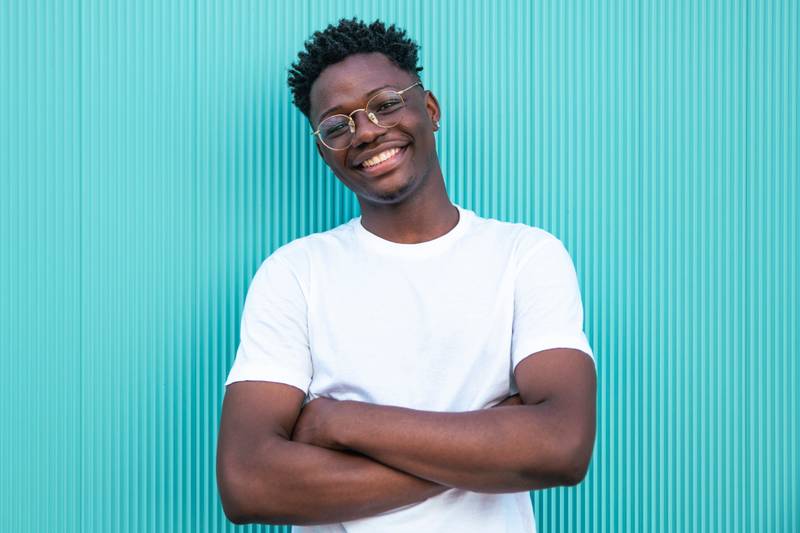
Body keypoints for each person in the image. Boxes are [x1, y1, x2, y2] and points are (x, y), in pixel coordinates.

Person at [216, 17, 597, 533]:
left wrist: (339, 422)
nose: (367, 130)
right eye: (336, 126)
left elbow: (562, 447)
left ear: (431, 110)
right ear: (324, 150)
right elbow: (247, 484)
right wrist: (492, 442)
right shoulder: (294, 274)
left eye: (386, 103)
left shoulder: (525, 256)